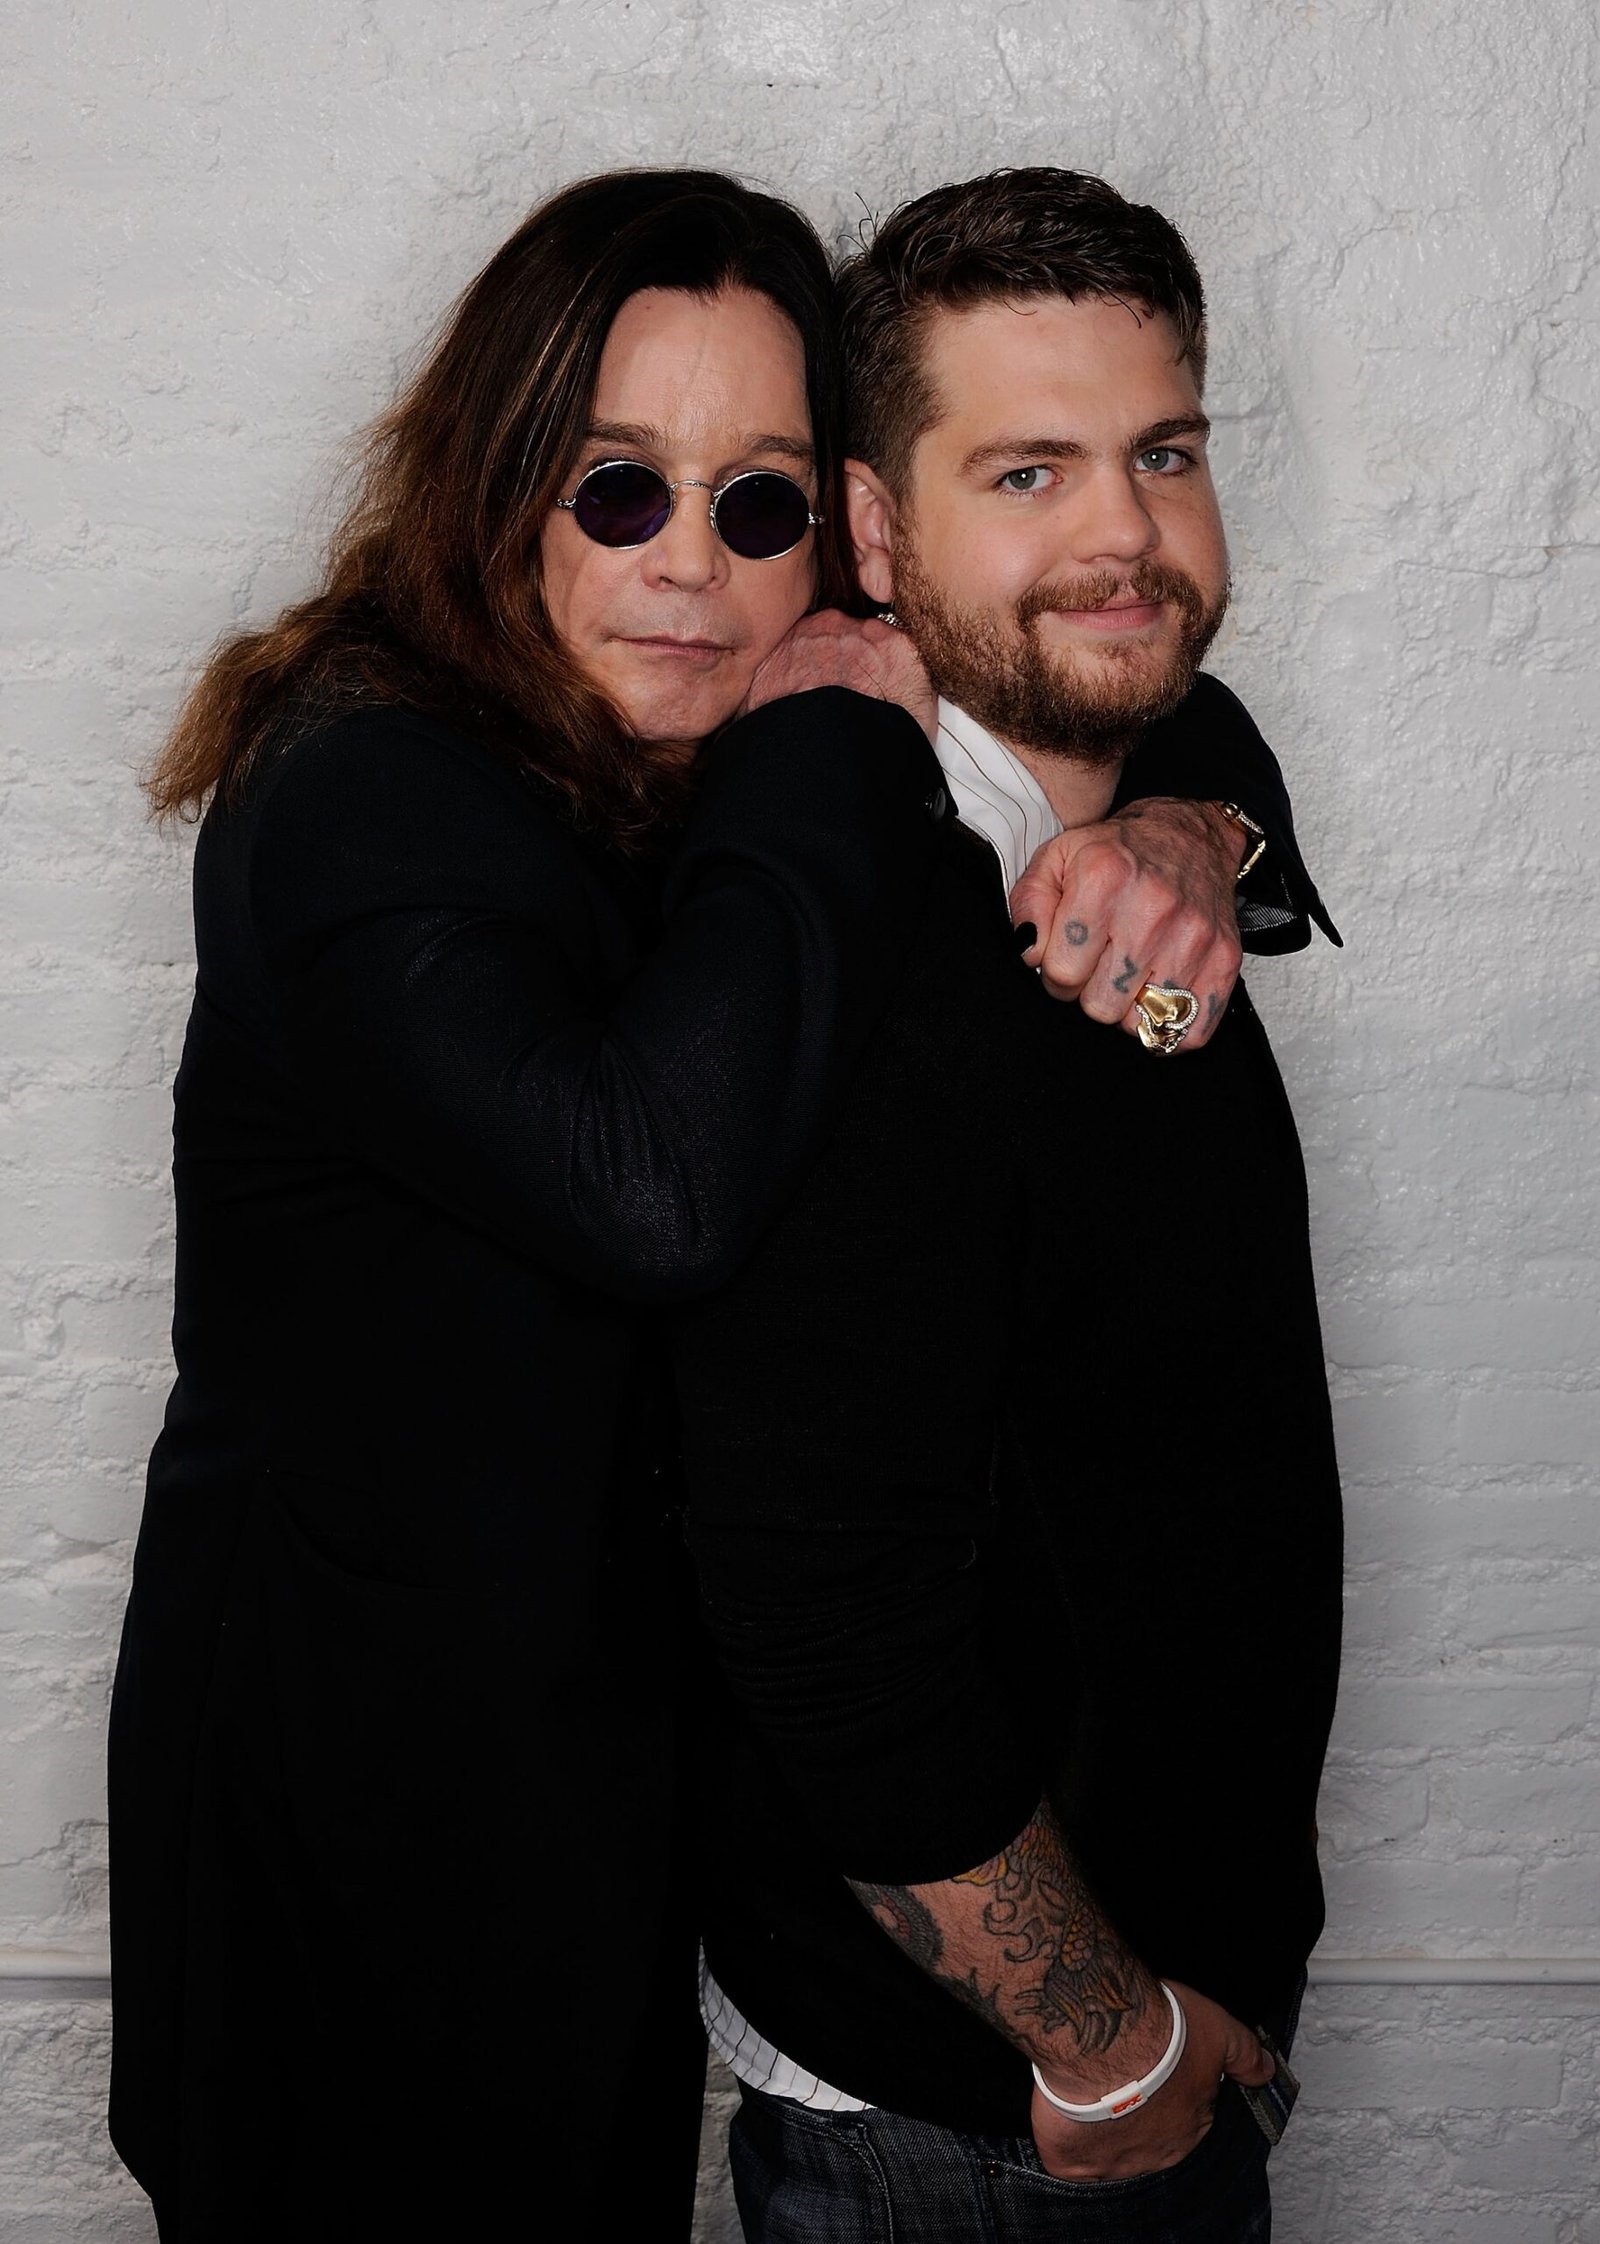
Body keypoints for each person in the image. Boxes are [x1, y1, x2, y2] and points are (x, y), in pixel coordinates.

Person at [108, 167, 1315, 2239]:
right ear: (497, 487)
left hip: (615, 1806)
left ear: (833, 537)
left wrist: (1203, 829)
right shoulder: (369, 792)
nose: (688, 563)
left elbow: (1110, 654)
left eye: (755, 505)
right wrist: (827, 741)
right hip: (372, 1816)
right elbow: (654, 1186)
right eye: (616, 490)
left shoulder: (657, 745)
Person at [673, 167, 1343, 2243]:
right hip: (980, 2131)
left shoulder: (1115, 842)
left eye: (1162, 454)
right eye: (1027, 472)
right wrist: (1109, 2051)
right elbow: (817, 1600)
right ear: (875, 535)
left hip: (1102, 2057)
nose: (1122, 536)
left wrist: (1208, 825)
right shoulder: (865, 946)